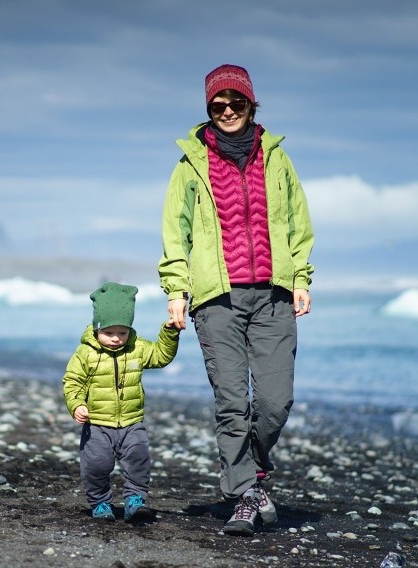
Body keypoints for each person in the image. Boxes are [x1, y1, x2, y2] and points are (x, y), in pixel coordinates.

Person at [158, 64, 315, 537]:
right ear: (209, 109)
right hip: (215, 299)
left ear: (251, 104)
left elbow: (298, 222)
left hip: (274, 296)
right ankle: (245, 494)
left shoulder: (277, 159)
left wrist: (302, 278)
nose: (227, 111)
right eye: (217, 105)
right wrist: (177, 291)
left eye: (236, 103)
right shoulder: (190, 165)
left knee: (274, 403)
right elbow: (175, 232)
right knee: (232, 402)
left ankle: (253, 473)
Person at [63, 282, 180, 522]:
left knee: (139, 459)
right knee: (96, 464)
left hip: (132, 421)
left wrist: (169, 333)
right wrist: (77, 405)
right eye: (109, 333)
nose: (116, 339)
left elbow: (160, 356)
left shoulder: (137, 348)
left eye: (122, 333)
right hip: (97, 423)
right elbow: (72, 381)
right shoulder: (85, 353)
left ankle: (135, 500)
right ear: (97, 329)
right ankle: (100, 502)